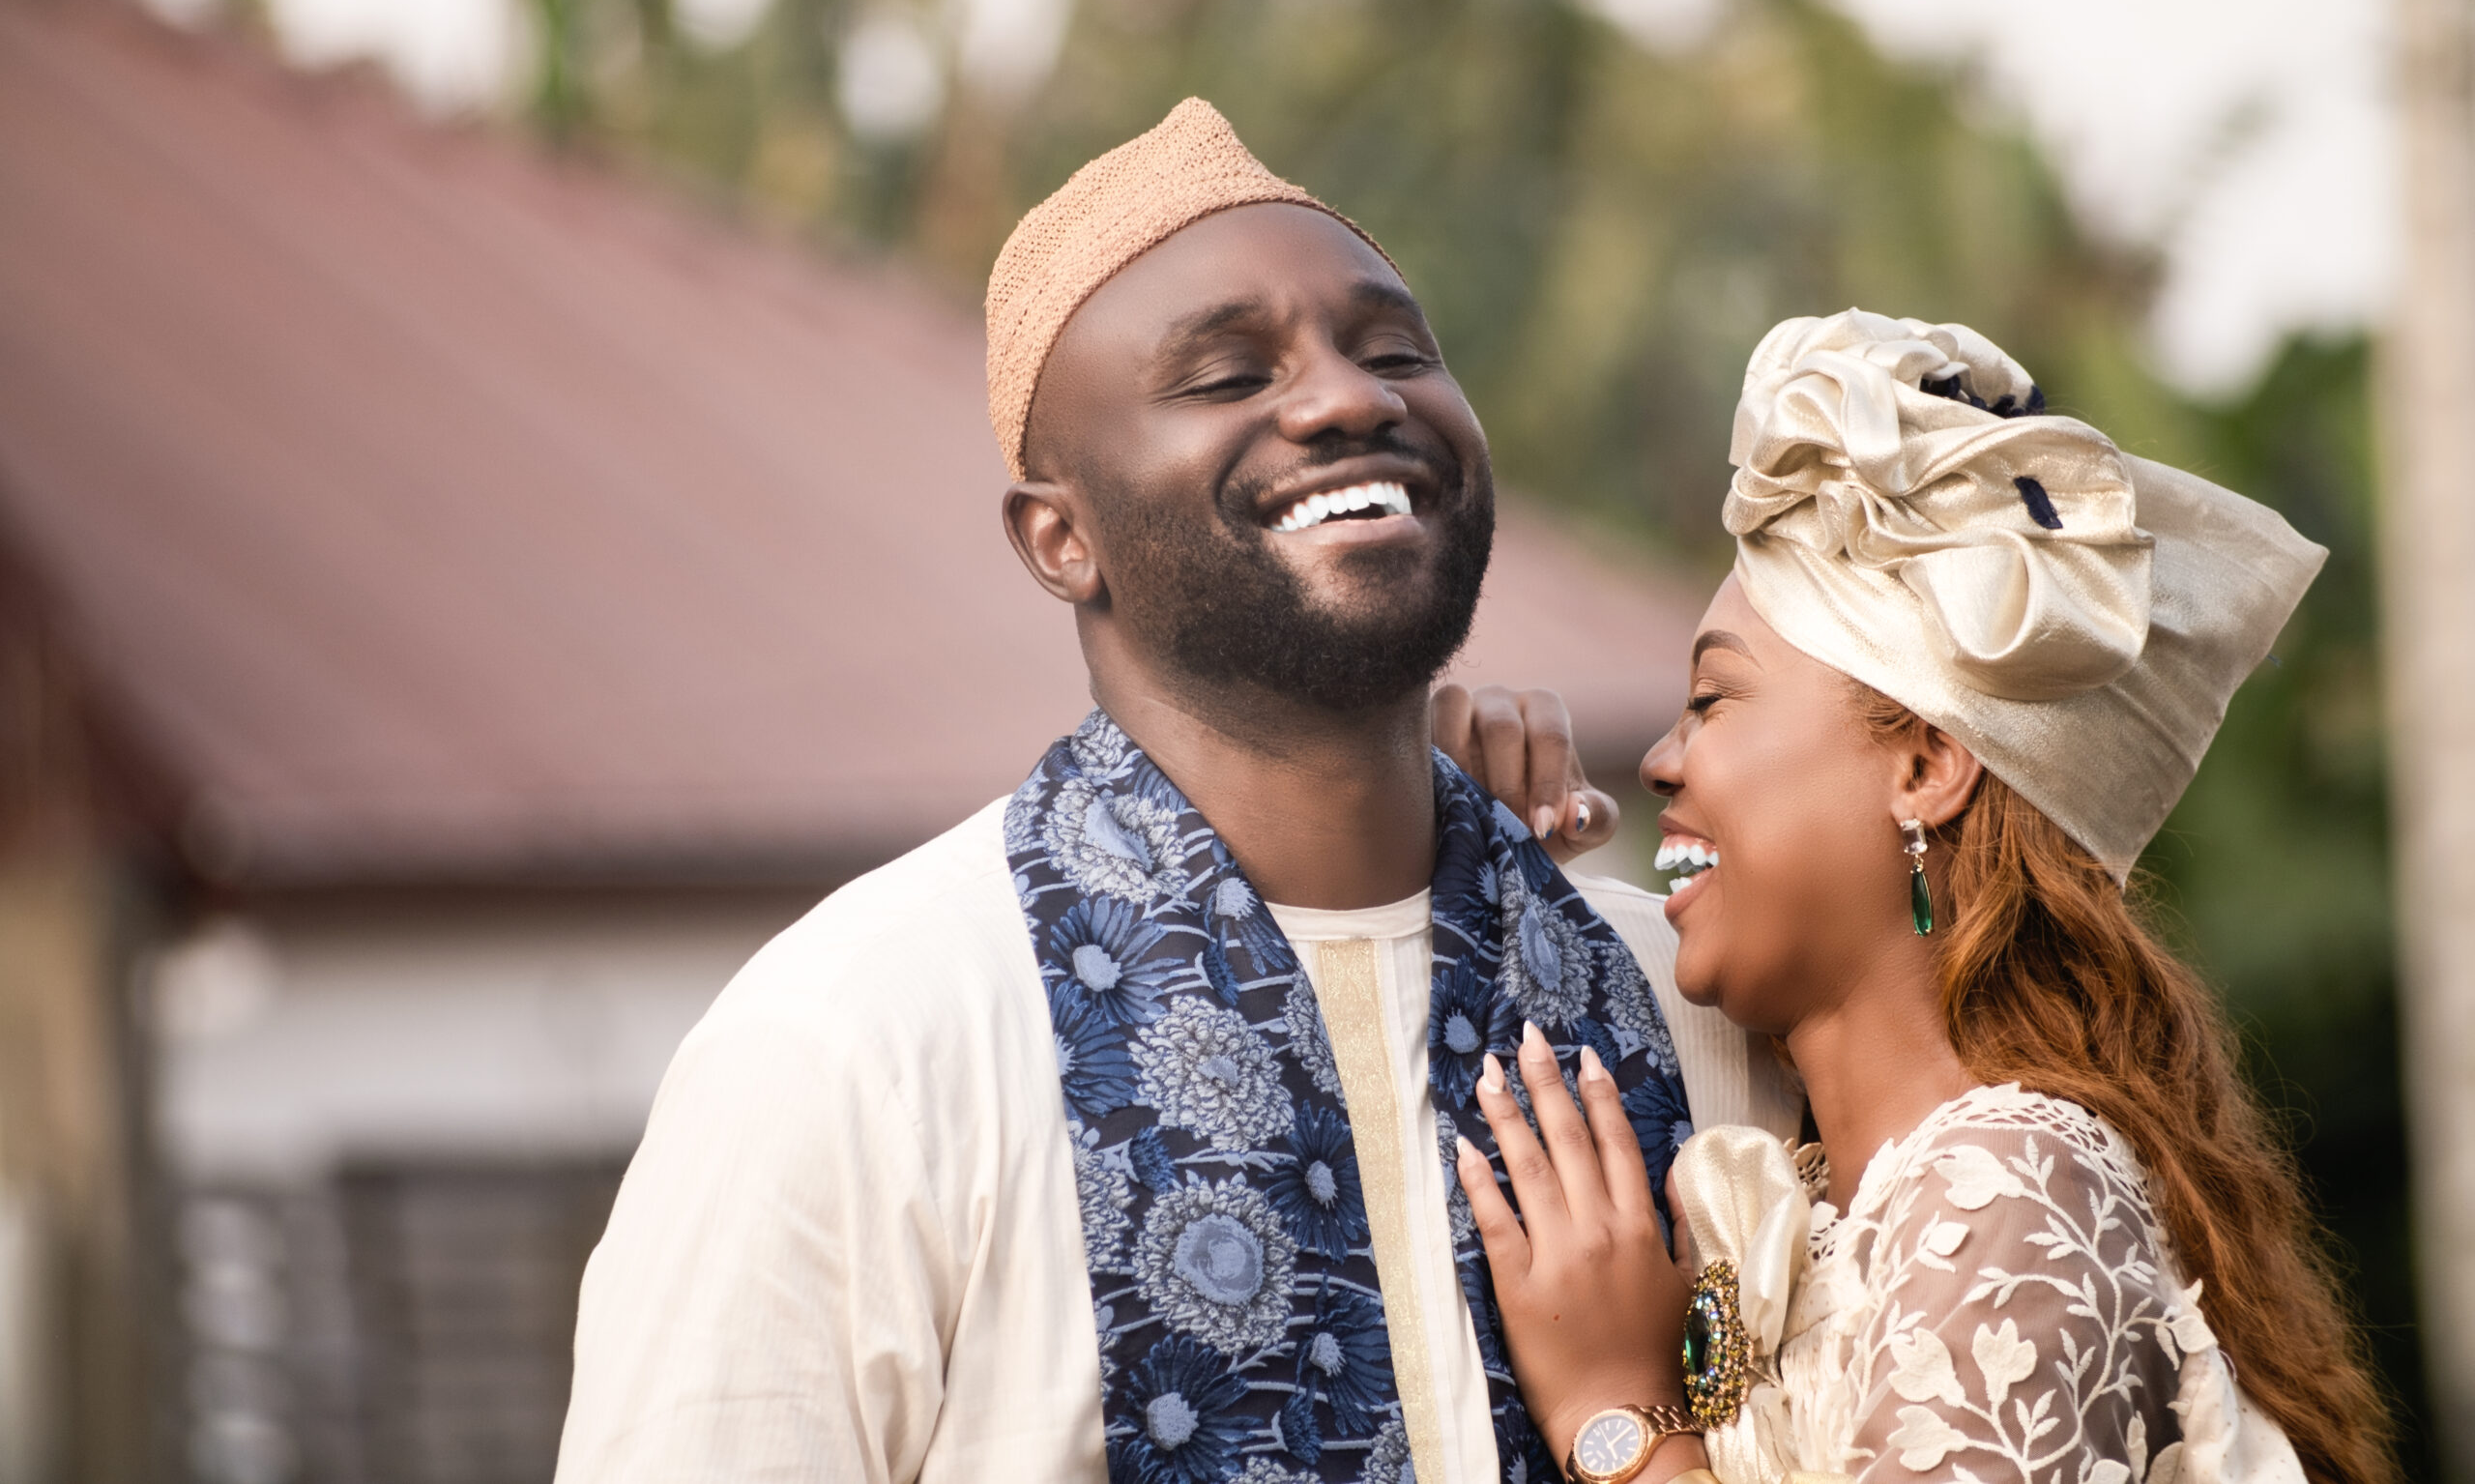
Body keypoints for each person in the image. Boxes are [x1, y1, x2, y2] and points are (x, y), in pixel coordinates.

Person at [554, 99, 1799, 1484]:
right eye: (1225, 376)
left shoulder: (1685, 996)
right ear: (1060, 535)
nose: (1346, 397)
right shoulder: (862, 1045)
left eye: (1394, 349)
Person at [1448, 311, 2397, 1484]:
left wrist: (1620, 1419)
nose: (1660, 761)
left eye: (1714, 701)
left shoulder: (2005, 1181)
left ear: (1923, 767)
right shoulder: (1807, 1197)